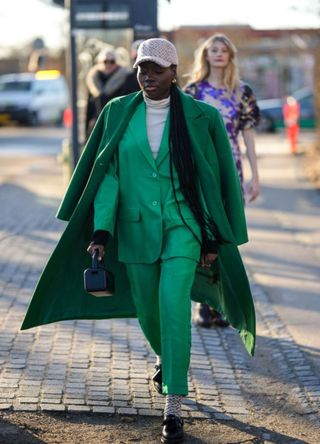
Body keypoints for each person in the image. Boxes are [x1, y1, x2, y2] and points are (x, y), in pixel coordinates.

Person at [21, 38, 255, 443]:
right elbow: (109, 177)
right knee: (148, 311)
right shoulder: (117, 113)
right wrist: (101, 231)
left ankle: (174, 405)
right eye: (142, 69)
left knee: (173, 305)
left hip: (185, 227)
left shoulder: (202, 117)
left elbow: (214, 178)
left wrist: (214, 236)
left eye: (156, 70)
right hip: (134, 229)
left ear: (173, 72)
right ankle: (166, 357)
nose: (147, 77)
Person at [184, 34, 260, 329]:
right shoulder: (191, 91)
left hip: (231, 172)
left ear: (230, 56)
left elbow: (249, 137)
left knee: (226, 236)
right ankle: (204, 304)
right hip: (200, 169)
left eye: (223, 50)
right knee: (203, 235)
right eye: (213, 49)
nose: (218, 54)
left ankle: (225, 302)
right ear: (205, 55)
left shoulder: (243, 93)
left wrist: (256, 176)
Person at [85, 47, 139, 137]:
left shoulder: (127, 78)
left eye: (112, 61)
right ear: (99, 62)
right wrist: (86, 134)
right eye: (105, 61)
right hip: (97, 129)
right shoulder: (93, 80)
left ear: (117, 62)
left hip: (119, 128)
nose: (108, 64)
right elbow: (89, 110)